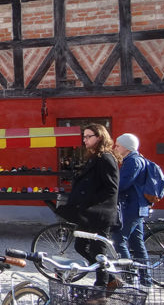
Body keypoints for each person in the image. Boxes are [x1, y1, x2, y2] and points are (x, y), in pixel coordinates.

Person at [55, 123, 120, 287]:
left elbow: (112, 188)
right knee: (81, 245)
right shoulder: (95, 157)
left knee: (99, 252)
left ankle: (101, 289)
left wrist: (90, 201)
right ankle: (111, 279)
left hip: (100, 214)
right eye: (84, 136)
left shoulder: (105, 158)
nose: (84, 140)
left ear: (99, 137)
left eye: (88, 136)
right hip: (89, 214)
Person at [113, 133, 151, 282]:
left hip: (131, 207)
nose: (115, 147)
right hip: (137, 206)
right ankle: (145, 280)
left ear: (127, 147)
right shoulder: (137, 159)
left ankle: (129, 277)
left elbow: (122, 185)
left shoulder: (132, 161)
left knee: (119, 240)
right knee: (137, 244)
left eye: (118, 145)